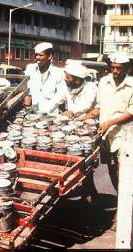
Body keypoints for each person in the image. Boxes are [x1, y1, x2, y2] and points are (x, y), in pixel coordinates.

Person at [81, 51, 133, 230]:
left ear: (127, 68)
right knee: (112, 172)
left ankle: (122, 213)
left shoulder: (132, 85)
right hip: (106, 138)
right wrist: (83, 117)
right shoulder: (104, 82)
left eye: (119, 68)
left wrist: (110, 122)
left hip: (124, 137)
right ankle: (125, 203)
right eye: (113, 67)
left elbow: (131, 112)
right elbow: (99, 108)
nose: (115, 71)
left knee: (122, 174)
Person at [23, 42, 66, 114]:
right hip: (33, 113)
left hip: (51, 115)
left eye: (40, 55)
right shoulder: (30, 69)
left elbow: (61, 95)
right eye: (36, 55)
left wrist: (47, 109)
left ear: (49, 56)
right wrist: (27, 105)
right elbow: (27, 90)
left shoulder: (58, 73)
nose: (37, 58)